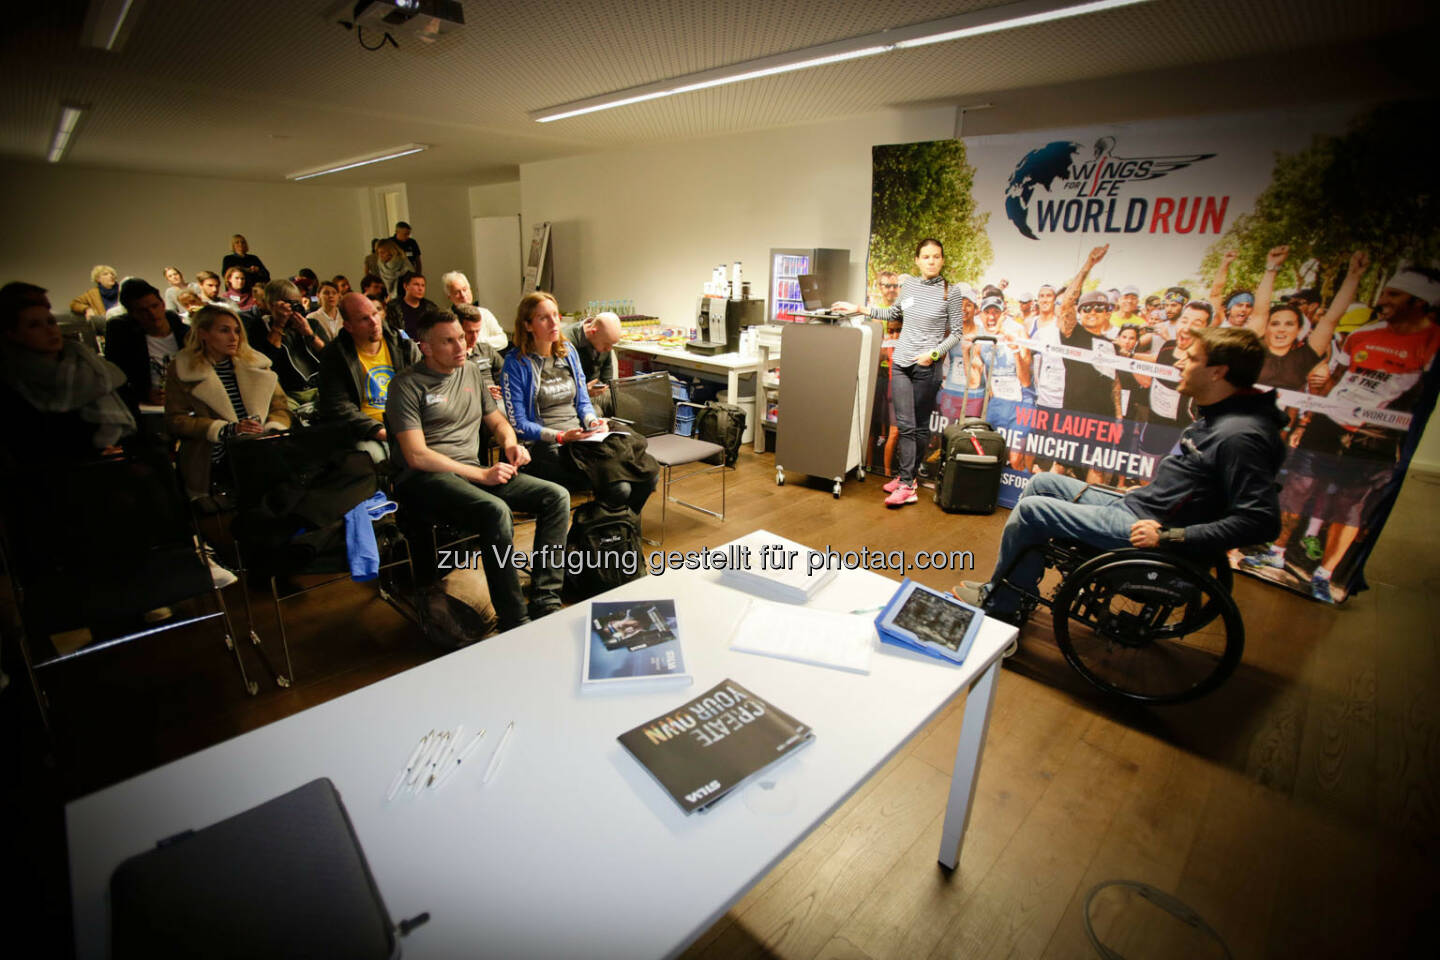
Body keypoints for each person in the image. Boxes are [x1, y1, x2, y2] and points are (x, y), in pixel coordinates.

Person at [952, 326, 1285, 629]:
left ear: (1218, 372)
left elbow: (1260, 521)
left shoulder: (1239, 435)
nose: (1179, 362)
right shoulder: (1219, 416)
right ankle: (1011, 588)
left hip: (1152, 532)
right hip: (1143, 508)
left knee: (1030, 510)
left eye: (1191, 358)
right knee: (1041, 483)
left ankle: (1002, 605)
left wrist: (1172, 537)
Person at [1248, 262, 1438, 602]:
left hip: (1375, 438)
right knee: (1298, 487)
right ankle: (1275, 553)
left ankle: (1324, 575)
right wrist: (1323, 385)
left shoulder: (1432, 341)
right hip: (1327, 425)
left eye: (1394, 294)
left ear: (1419, 300)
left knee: (1351, 507)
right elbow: (1339, 379)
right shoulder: (1364, 335)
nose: (1383, 299)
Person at [388, 310, 570, 630]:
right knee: (495, 510)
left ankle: (546, 599)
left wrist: (510, 442)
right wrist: (481, 474)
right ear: (425, 347)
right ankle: (515, 619)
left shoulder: (471, 371)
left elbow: (497, 420)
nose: (461, 346)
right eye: (449, 341)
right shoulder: (406, 385)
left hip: (471, 472)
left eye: (461, 337)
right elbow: (416, 456)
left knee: (556, 496)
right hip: (424, 480)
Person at [833, 238, 966, 507]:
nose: (931, 261)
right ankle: (907, 480)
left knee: (917, 427)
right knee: (905, 424)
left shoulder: (950, 292)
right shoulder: (910, 287)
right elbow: (893, 312)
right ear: (917, 260)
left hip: (926, 367)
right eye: (926, 256)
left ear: (942, 260)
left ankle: (907, 482)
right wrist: (859, 308)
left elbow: (958, 334)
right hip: (901, 363)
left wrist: (934, 355)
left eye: (936, 256)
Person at [503, 292, 657, 516]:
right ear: (527, 325)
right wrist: (560, 436)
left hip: (581, 437)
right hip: (547, 445)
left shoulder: (568, 352)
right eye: (543, 318)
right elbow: (519, 424)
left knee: (648, 474)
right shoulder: (516, 364)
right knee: (620, 488)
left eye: (555, 315)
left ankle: (620, 533)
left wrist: (592, 421)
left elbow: (583, 401)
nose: (554, 322)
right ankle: (593, 536)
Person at [1, 282, 136, 464]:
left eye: (50, 322)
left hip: (118, 469)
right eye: (34, 325)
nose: (49, 330)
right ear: (13, 334)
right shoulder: (15, 382)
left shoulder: (94, 368)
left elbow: (133, 422)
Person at [164, 304, 290, 500]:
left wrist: (271, 429)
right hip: (213, 458)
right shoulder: (182, 369)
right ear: (203, 333)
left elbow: (280, 407)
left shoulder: (256, 363)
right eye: (224, 330)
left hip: (262, 451)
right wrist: (226, 429)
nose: (234, 337)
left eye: (237, 331)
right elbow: (175, 419)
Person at [315, 292, 419, 457]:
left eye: (375, 314)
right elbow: (338, 406)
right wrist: (380, 431)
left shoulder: (402, 343)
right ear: (349, 326)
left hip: (408, 422)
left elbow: (423, 385)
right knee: (373, 457)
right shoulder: (335, 355)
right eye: (364, 319)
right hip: (367, 430)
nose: (374, 323)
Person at [104, 278, 189, 412]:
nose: (152, 314)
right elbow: (115, 377)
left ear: (162, 304)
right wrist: (143, 393)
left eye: (154, 306)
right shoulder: (123, 335)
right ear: (132, 314)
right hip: (149, 409)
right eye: (143, 311)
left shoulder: (184, 333)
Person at [245, 278, 323, 403]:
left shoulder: (311, 324)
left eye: (296, 303)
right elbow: (266, 362)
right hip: (287, 393)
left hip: (319, 387)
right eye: (289, 303)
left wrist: (309, 334)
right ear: (271, 305)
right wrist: (278, 325)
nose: (294, 308)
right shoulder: (260, 327)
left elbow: (330, 356)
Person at [560, 311, 621, 417]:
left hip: (595, 391)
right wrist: (583, 390)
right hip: (573, 397)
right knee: (596, 413)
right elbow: (560, 387)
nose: (609, 349)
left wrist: (608, 389)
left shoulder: (602, 337)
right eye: (607, 344)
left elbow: (607, 374)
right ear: (593, 332)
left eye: (612, 345)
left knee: (631, 405)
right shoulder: (566, 342)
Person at [441, 271, 508, 350]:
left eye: (465, 289)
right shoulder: (446, 320)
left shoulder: (484, 313)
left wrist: (477, 343)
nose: (463, 295)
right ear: (449, 297)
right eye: (457, 292)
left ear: (470, 290)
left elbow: (503, 340)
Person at [454, 303, 505, 400]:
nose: (475, 337)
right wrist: (481, 392)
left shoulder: (486, 349)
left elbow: (506, 375)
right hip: (471, 401)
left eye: (478, 331)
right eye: (469, 332)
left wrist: (503, 389)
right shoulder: (450, 357)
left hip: (497, 399)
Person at [384, 271, 442, 339]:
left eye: (423, 285)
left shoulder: (431, 308)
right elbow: (391, 331)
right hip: (403, 346)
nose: (420, 289)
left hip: (425, 346)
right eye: (416, 285)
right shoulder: (393, 307)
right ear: (406, 286)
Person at [307, 280, 345, 345]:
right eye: (326, 293)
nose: (331, 296)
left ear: (338, 296)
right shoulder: (312, 318)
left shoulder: (345, 315)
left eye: (334, 293)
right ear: (318, 295)